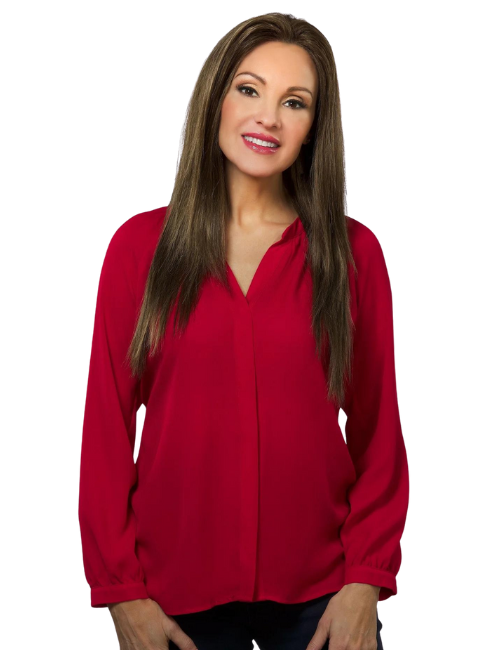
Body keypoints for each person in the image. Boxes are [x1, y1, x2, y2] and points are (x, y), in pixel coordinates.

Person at [78, 12, 409, 650]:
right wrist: (121, 593)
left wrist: (365, 582)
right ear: (216, 98)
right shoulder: (139, 249)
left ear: (315, 127)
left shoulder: (352, 254)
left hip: (322, 594)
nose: (269, 118)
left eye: (295, 102)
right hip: (173, 597)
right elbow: (106, 431)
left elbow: (378, 431)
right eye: (249, 89)